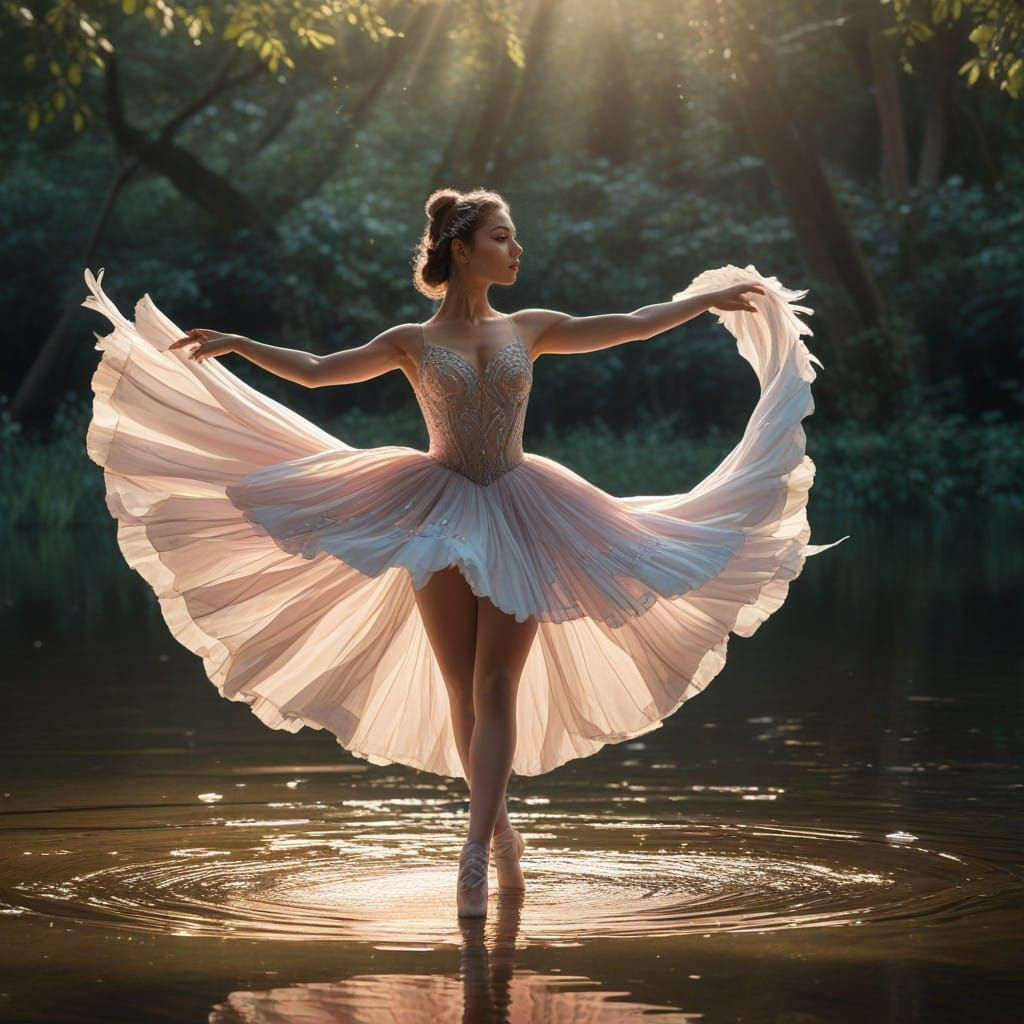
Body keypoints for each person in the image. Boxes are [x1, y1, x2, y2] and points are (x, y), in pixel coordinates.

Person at [82, 186, 848, 919]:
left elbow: (633, 321)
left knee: (497, 683)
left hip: (525, 512)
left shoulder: (532, 327)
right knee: (459, 686)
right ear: (463, 248)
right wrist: (242, 344)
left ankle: (474, 848)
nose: (517, 249)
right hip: (437, 510)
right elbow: (319, 371)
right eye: (503, 237)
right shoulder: (412, 342)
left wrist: (700, 303)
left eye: (514, 238)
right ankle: (503, 828)